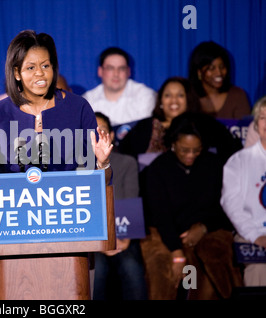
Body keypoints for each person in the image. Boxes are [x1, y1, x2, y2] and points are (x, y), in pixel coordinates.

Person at [0, 30, 113, 180]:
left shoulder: (78, 108)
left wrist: (103, 163)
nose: (40, 73)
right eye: (31, 67)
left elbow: (98, 182)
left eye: (45, 66)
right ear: (17, 73)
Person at [140, 112, 243, 300]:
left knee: (204, 271)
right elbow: (160, 214)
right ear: (173, 144)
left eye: (196, 150)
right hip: (166, 234)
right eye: (184, 150)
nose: (190, 155)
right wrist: (176, 251)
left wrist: (203, 228)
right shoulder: (158, 169)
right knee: (165, 270)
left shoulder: (213, 165)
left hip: (204, 231)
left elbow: (224, 208)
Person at [92, 112, 147, 300]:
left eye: (103, 131)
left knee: (131, 266)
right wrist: (98, 244)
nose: (97, 136)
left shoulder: (127, 162)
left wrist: (126, 238)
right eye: (91, 132)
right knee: (96, 272)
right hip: (92, 240)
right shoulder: (75, 165)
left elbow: (131, 200)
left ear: (112, 136)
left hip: (123, 234)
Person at [220, 95, 266, 286]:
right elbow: (231, 204)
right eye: (263, 117)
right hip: (250, 235)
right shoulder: (239, 161)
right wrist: (256, 235)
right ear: (256, 124)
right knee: (259, 269)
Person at [118, 77, 200, 167]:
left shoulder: (200, 127)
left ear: (188, 99)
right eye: (168, 95)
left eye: (180, 95)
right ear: (160, 101)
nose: (174, 100)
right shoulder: (145, 127)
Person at [82, 47, 156, 145]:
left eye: (121, 68)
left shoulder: (145, 96)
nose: (116, 74)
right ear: (100, 71)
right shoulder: (87, 100)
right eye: (110, 68)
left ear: (129, 71)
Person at [188, 41, 251, 120]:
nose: (219, 73)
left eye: (222, 67)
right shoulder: (188, 96)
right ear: (199, 72)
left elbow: (247, 129)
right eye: (211, 68)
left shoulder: (238, 96)